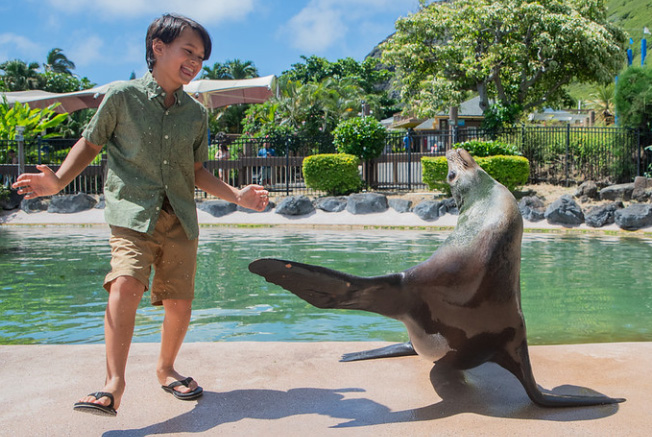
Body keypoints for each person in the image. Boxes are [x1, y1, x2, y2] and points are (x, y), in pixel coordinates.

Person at [12, 13, 268, 417]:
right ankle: (113, 384)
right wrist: (58, 180)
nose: (195, 61)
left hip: (180, 217)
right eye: (188, 51)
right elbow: (90, 142)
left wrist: (237, 195)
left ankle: (166, 369)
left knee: (179, 303)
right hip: (131, 213)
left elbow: (197, 170)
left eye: (201, 56)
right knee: (125, 285)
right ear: (158, 47)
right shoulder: (121, 96)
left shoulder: (196, 114)